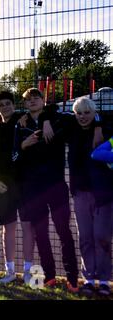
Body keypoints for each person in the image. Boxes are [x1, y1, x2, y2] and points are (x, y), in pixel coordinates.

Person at [13, 88, 79, 293]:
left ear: (43, 100)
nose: (32, 101)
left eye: (36, 98)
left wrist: (47, 117)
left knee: (63, 232)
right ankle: (49, 276)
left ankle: (73, 280)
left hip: (56, 185)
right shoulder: (20, 125)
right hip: (34, 188)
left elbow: (74, 118)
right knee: (41, 234)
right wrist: (24, 145)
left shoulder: (58, 119)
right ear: (24, 104)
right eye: (28, 99)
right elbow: (14, 156)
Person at [44, 97, 112, 296]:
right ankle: (89, 278)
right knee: (85, 238)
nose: (83, 117)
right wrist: (47, 121)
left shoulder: (106, 127)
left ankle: (105, 280)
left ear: (94, 112)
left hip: (103, 193)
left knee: (102, 237)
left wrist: (98, 123)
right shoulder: (70, 128)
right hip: (80, 192)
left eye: (87, 112)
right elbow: (50, 109)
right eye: (79, 113)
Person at [0, 91, 35, 285]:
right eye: (1, 104)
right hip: (3, 186)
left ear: (14, 105)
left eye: (8, 103)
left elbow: (49, 109)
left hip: (24, 183)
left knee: (27, 227)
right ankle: (10, 271)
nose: (5, 107)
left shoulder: (23, 120)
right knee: (8, 228)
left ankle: (28, 271)